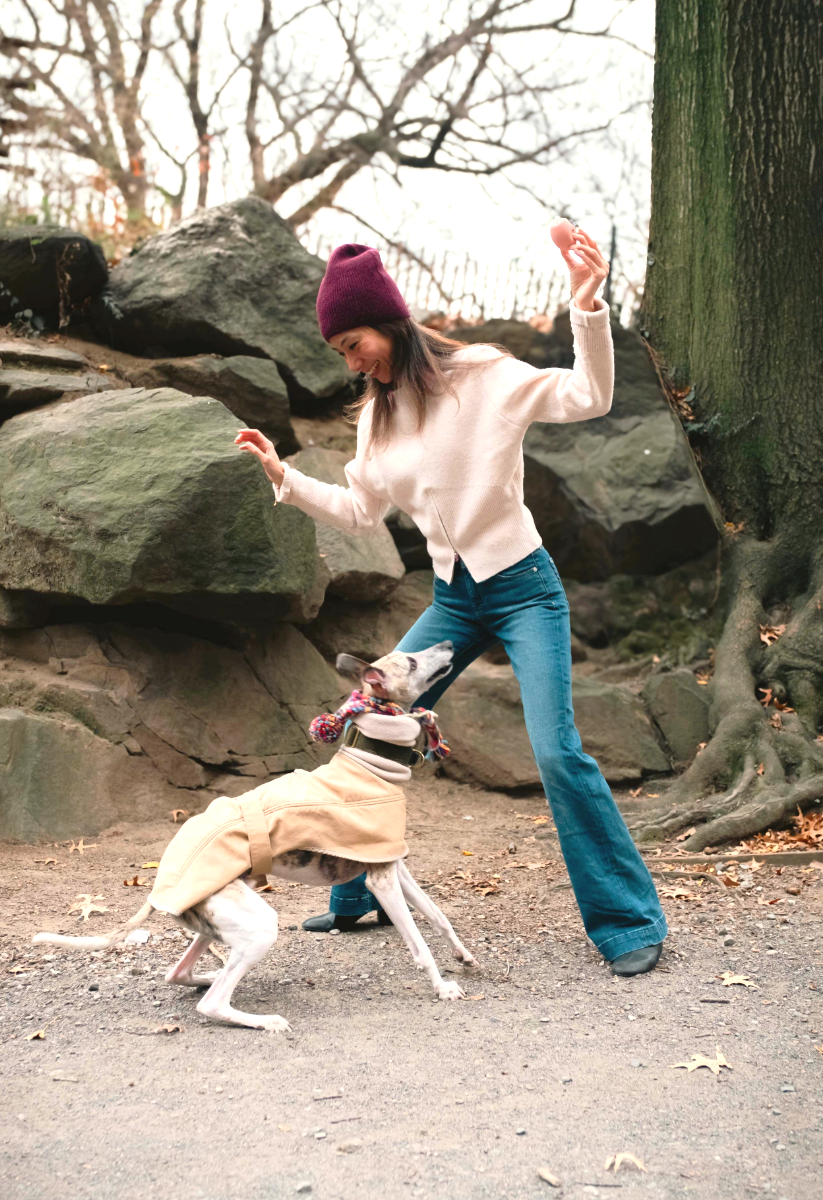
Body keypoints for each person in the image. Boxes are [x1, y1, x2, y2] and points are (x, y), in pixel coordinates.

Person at [235, 228, 667, 977]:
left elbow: (588, 396)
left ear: (390, 320)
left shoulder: (485, 378)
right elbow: (362, 512)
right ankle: (357, 896)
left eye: (354, 341)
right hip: (454, 601)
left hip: (524, 590)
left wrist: (586, 308)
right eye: (339, 350)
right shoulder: (376, 418)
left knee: (558, 753)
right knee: (366, 720)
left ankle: (628, 920)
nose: (351, 360)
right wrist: (286, 476)